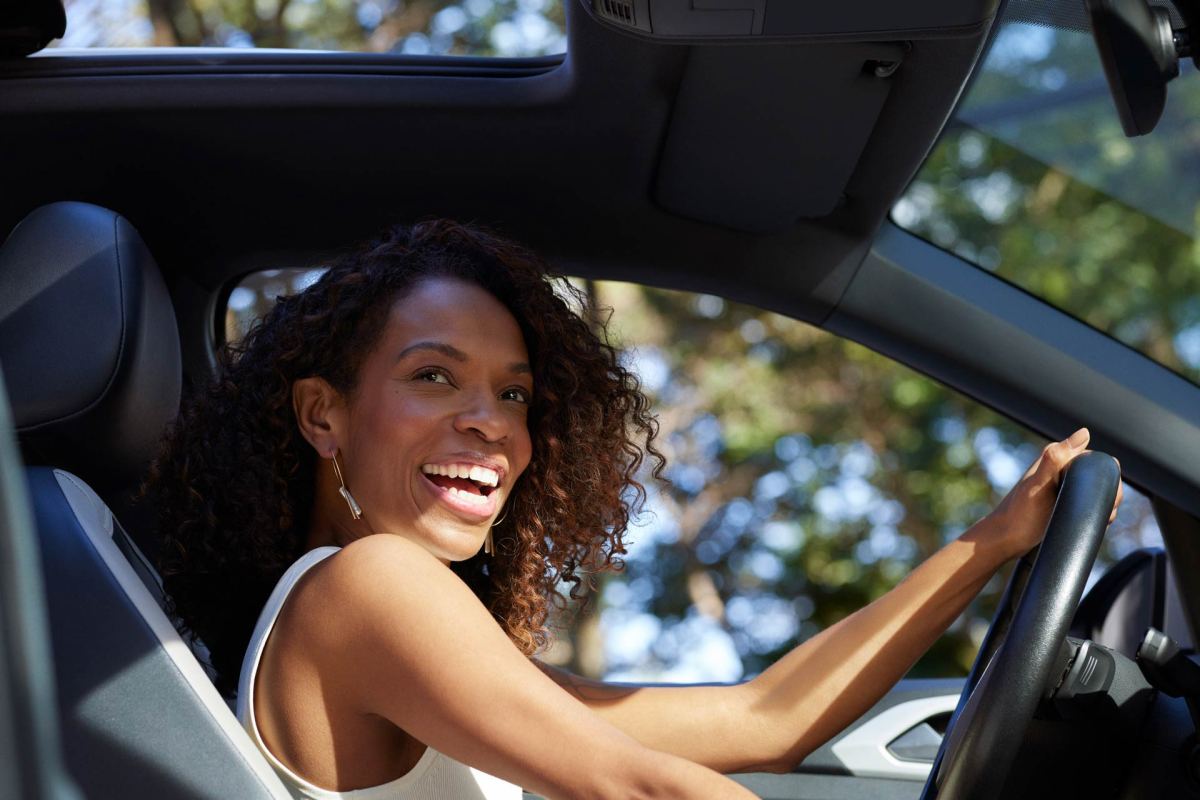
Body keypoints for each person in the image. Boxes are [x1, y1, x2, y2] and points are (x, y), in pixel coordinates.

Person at [145, 219, 1124, 800]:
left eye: (514, 394)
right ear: (323, 413)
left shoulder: (398, 625)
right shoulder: (367, 586)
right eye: (434, 375)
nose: (490, 424)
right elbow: (639, 786)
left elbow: (765, 716)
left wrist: (991, 540)